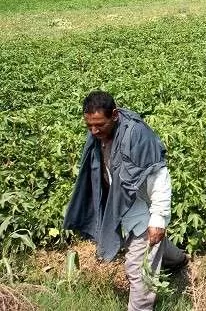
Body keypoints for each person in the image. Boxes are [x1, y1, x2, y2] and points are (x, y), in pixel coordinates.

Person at [63, 90, 187, 311]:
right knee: (154, 246)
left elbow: (159, 176)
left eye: (99, 124)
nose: (94, 130)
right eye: (89, 125)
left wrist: (158, 219)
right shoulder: (99, 134)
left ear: (115, 114)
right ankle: (179, 261)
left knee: (137, 269)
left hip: (140, 206)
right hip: (121, 202)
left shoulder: (138, 136)